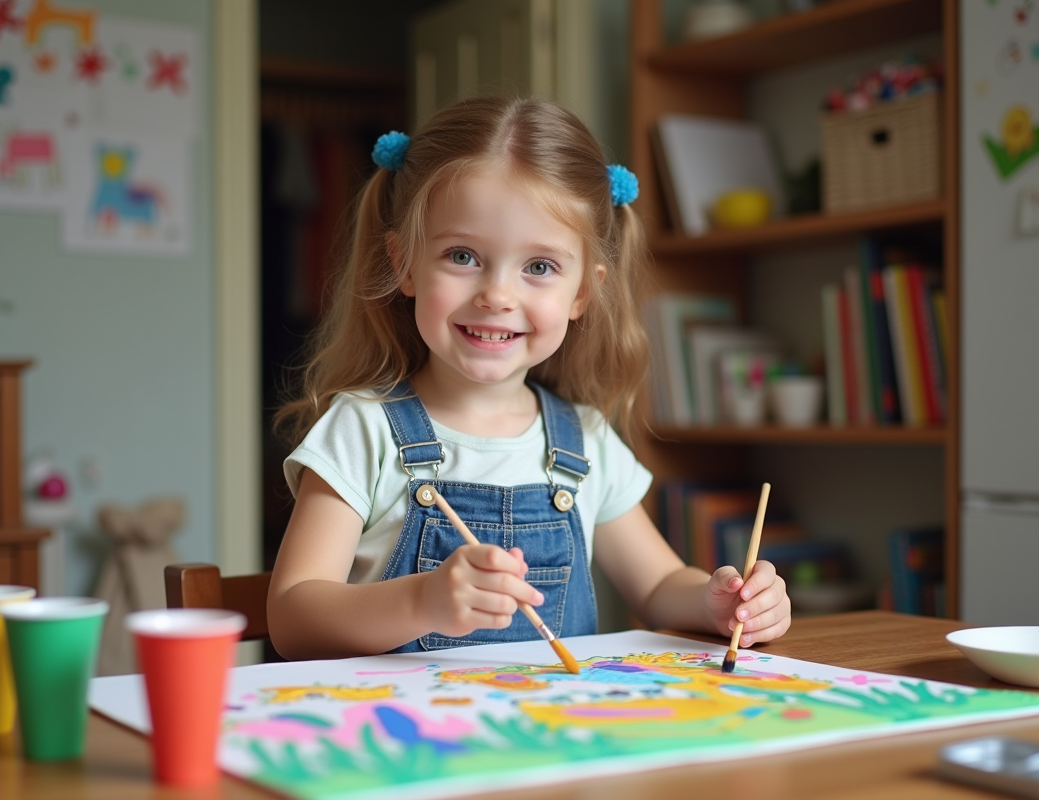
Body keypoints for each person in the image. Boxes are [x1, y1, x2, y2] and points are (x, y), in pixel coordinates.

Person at [267, 96, 790, 660]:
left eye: (539, 267)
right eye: (462, 256)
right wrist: (422, 600)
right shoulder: (362, 429)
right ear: (404, 263)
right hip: (404, 738)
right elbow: (293, 617)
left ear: (583, 292)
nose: (497, 295)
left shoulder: (584, 440)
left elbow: (661, 587)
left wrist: (721, 602)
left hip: (546, 737)